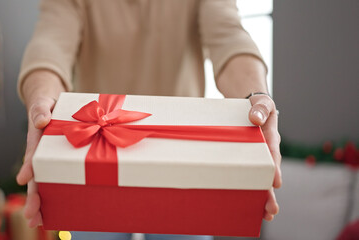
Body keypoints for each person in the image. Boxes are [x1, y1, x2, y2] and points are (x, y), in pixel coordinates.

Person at [16, 0, 282, 239]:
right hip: (93, 158)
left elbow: (229, 36)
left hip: (184, 164)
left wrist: (255, 95)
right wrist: (41, 99)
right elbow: (50, 44)